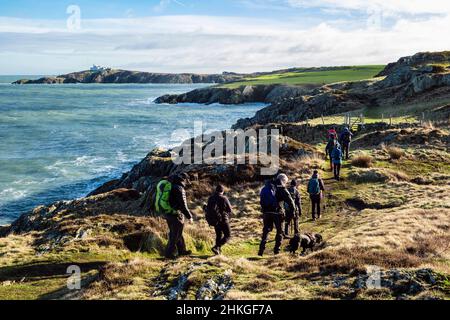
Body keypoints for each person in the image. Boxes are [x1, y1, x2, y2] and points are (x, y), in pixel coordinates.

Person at [156, 173, 193, 259]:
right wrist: (189, 217)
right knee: (175, 235)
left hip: (168, 213)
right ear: (183, 179)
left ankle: (182, 251)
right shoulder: (179, 188)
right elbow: (183, 205)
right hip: (176, 214)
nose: (187, 182)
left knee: (177, 233)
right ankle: (168, 254)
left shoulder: (171, 185)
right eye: (187, 180)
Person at [258, 174, 295, 256]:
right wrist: (292, 212)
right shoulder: (281, 188)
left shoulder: (267, 186)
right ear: (284, 181)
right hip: (277, 213)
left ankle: (261, 250)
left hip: (266, 213)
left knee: (266, 230)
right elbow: (290, 201)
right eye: (285, 182)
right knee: (279, 232)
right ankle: (276, 251)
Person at [206, 184, 233, 255]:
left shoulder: (210, 198)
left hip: (214, 220)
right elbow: (230, 210)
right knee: (228, 235)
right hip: (223, 220)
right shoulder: (224, 198)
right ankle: (216, 247)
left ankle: (218, 252)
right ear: (222, 191)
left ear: (215, 190)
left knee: (219, 235)